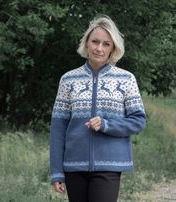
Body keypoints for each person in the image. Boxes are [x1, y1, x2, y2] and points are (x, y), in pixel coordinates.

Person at [50, 15, 146, 202]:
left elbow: (138, 120)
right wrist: (56, 172)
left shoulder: (126, 80)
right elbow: (57, 128)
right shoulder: (68, 80)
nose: (99, 48)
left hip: (109, 166)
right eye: (95, 41)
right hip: (74, 166)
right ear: (86, 43)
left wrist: (106, 125)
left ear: (113, 48)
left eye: (106, 44)